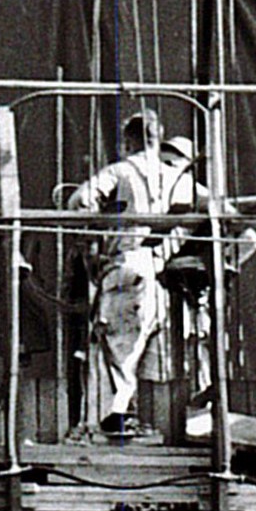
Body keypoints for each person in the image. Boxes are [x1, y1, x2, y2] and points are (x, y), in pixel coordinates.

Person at [62, 115, 203, 434]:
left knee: (114, 344)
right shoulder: (178, 178)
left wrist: (92, 238)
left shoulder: (121, 171)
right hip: (155, 274)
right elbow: (215, 206)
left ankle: (113, 417)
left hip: (124, 265)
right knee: (134, 346)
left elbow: (79, 201)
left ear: (130, 141)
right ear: (157, 139)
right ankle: (124, 414)